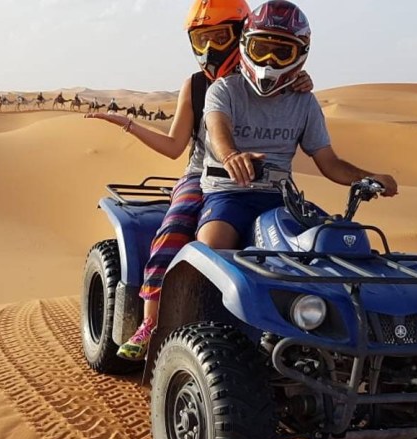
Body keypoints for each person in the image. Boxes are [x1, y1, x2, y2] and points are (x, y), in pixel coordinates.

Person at [86, 0, 313, 361]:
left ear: (242, 33)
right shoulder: (195, 85)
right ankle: (150, 322)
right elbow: (176, 145)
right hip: (203, 175)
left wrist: (300, 80)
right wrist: (129, 124)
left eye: (219, 37)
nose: (209, 49)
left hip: (266, 182)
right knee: (175, 228)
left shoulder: (270, 75)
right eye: (202, 39)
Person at [198, 0, 397, 252]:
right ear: (245, 46)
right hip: (228, 193)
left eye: (282, 53)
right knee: (212, 246)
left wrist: (367, 177)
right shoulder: (224, 90)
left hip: (281, 199)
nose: (269, 61)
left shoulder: (304, 102)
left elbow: (329, 162)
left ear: (300, 54)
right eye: (261, 49)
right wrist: (230, 155)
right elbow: (218, 127)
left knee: (339, 244)